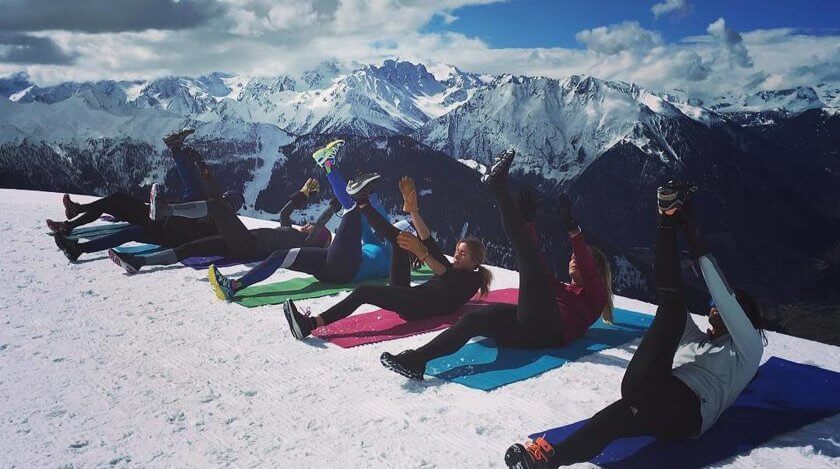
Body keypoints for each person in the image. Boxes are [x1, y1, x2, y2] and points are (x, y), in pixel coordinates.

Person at [503, 181, 766, 469]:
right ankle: (666, 216)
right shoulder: (697, 340)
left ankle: (550, 458)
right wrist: (675, 226)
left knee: (618, 417)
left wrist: (695, 240)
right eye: (713, 308)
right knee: (673, 305)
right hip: (652, 389)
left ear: (743, 317)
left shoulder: (747, 350)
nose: (715, 310)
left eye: (725, 309)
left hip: (690, 409)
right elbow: (670, 296)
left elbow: (722, 295)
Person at [378, 150, 613, 381]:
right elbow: (535, 262)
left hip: (551, 331)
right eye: (572, 256)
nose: (573, 259)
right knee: (473, 320)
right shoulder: (562, 290)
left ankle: (498, 188)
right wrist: (528, 224)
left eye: (580, 259)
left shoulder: (595, 295)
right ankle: (416, 360)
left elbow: (555, 263)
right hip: (530, 327)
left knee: (528, 260)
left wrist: (574, 231)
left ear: (596, 270)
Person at [281, 174, 493, 341]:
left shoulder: (471, 280)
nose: (456, 254)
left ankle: (310, 325)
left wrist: (423, 254)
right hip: (409, 295)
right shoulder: (454, 268)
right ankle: (363, 203)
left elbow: (445, 274)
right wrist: (414, 212)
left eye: (462, 253)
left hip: (417, 307)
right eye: (457, 249)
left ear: (475, 261)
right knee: (399, 239)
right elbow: (428, 239)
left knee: (363, 292)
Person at [207, 140, 399, 300]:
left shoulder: (394, 257)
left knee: (353, 209)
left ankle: (327, 163)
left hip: (348, 268)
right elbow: (372, 220)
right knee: (279, 256)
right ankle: (233, 286)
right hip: (330, 260)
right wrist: (369, 194)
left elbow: (388, 229)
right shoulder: (378, 244)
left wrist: (364, 198)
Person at [52, 129, 240, 262]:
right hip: (158, 217)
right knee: (119, 201)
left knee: (128, 227)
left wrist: (192, 158)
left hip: (165, 232)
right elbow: (199, 180)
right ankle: (75, 215)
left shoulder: (222, 223)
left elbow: (197, 182)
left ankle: (78, 247)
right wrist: (192, 157)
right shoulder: (209, 205)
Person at [107, 176, 332, 274]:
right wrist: (303, 194)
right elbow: (285, 212)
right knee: (190, 248)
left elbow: (322, 222)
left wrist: (336, 205)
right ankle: (139, 261)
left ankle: (165, 210)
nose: (311, 223)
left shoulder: (306, 243)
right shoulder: (291, 231)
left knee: (218, 207)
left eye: (315, 226)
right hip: (240, 241)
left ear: (317, 235)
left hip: (249, 245)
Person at [46, 128, 208, 236]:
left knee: (114, 201)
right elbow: (192, 178)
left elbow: (191, 180)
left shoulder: (199, 205)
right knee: (115, 200)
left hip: (152, 221)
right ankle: (72, 219)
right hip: (149, 212)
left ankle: (75, 214)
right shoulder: (198, 202)